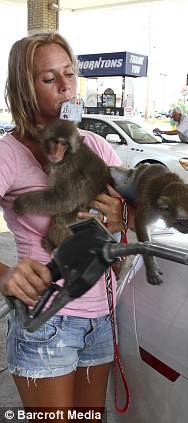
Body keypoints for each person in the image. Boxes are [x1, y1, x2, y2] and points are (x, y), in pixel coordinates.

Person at [0, 32, 135, 420]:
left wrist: (119, 218)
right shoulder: (10, 154)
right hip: (47, 319)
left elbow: (130, 225)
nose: (65, 87)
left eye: (70, 75)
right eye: (49, 79)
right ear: (25, 91)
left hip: (102, 315)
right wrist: (7, 274)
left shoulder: (97, 145)